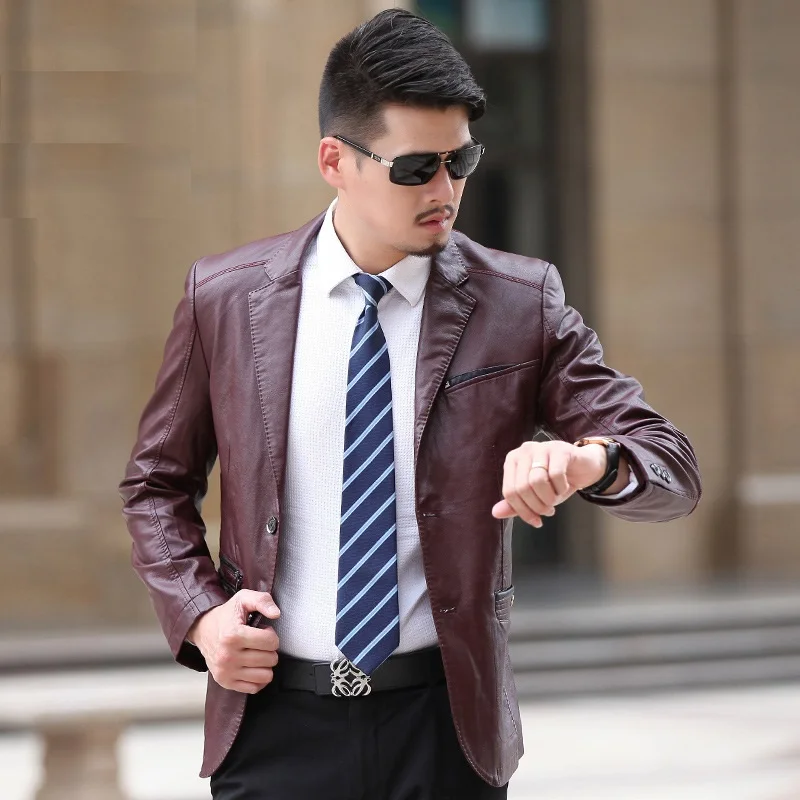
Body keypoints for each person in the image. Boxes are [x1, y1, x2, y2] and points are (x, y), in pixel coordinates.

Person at [119, 8, 701, 800]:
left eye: (462, 161)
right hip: (273, 727)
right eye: (417, 167)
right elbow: (155, 484)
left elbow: (671, 467)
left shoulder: (518, 302)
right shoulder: (226, 299)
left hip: (445, 732)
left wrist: (589, 460)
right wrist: (201, 614)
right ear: (335, 160)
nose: (446, 189)